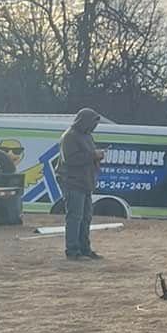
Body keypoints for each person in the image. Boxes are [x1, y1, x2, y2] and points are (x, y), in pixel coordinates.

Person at [59, 107, 103, 261]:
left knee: (86, 218)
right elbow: (70, 160)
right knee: (74, 218)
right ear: (83, 121)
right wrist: (93, 155)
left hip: (86, 184)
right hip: (73, 183)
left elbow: (88, 157)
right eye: (93, 123)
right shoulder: (70, 136)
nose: (94, 126)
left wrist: (97, 157)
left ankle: (85, 248)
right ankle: (72, 251)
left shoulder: (88, 137)